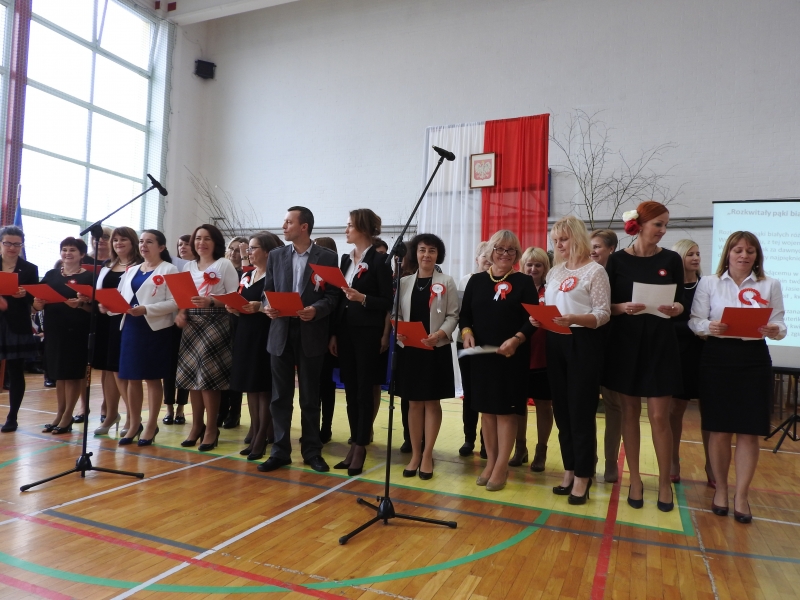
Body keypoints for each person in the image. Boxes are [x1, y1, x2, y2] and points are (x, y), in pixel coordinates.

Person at [690, 231, 785, 523]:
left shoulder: (770, 284)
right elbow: (695, 321)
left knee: (748, 431)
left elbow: (780, 323)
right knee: (719, 429)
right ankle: (721, 489)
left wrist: (774, 330)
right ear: (728, 253)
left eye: (750, 251)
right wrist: (710, 326)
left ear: (757, 256)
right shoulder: (709, 282)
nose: (744, 255)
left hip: (754, 359)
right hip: (718, 357)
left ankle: (741, 495)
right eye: (738, 250)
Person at [605, 201, 684, 512]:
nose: (663, 231)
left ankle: (664, 483)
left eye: (666, 225)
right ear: (640, 225)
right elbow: (606, 307)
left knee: (659, 417)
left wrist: (676, 308)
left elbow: (681, 301)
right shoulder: (616, 261)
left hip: (661, 345)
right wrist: (622, 307)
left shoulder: (672, 259)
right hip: (626, 345)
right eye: (658, 224)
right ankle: (634, 479)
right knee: (629, 413)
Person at [530, 216, 611, 504]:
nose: (558, 245)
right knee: (562, 411)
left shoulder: (595, 271)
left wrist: (574, 318)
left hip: (583, 342)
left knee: (580, 411)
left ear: (577, 238)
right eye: (555, 240)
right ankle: (570, 469)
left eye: (563, 239)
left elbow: (603, 314)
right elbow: (551, 306)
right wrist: (539, 318)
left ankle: (583, 476)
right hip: (555, 340)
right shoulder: (555, 271)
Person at [258, 206, 339, 473]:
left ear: (304, 227)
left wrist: (316, 309)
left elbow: (333, 296)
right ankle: (280, 451)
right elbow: (267, 291)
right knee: (280, 397)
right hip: (280, 330)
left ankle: (312, 451)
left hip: (311, 331)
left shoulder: (327, 257)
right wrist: (267, 306)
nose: (283, 226)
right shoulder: (276, 255)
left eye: (288, 222)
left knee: (310, 397)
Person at [460, 230, 537, 491]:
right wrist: (467, 333)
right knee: (487, 412)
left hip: (512, 355)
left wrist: (516, 339)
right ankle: (491, 462)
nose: (505, 254)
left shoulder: (524, 282)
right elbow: (465, 315)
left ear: (517, 254)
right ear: (491, 251)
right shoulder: (476, 281)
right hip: (482, 356)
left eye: (511, 250)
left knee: (505, 412)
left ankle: (502, 465)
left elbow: (532, 320)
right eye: (500, 249)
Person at [329, 209, 393, 476]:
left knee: (364, 390)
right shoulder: (345, 260)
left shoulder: (380, 261)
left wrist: (362, 298)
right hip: (345, 331)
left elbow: (387, 300)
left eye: (350, 226)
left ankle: (361, 445)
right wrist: (334, 333)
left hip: (367, 332)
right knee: (350, 389)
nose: (346, 230)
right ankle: (354, 441)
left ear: (364, 229)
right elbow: (337, 299)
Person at [396, 233, 458, 480]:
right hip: (411, 348)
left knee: (432, 402)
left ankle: (427, 455)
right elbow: (397, 314)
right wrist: (399, 330)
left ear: (438, 255)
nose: (426, 255)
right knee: (413, 403)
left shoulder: (447, 281)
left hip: (435, 348)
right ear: (415, 253)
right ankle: (415, 454)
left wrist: (440, 333)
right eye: (422, 250)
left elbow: (453, 315)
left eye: (432, 251)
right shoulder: (404, 282)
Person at [175, 224, 239, 451]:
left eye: (207, 238)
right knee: (192, 377)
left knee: (208, 378)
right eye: (198, 238)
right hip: (192, 323)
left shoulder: (224, 264)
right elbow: (184, 296)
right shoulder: (188, 265)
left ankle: (212, 428)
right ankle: (197, 426)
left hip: (216, 321)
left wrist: (211, 301)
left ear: (216, 242)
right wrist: (181, 312)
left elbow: (234, 297)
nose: (201, 243)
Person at [112, 230, 179, 446]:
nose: (143, 245)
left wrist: (147, 309)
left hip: (155, 329)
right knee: (132, 378)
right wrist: (109, 306)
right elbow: (120, 297)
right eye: (141, 241)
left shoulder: (169, 269)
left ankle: (151, 425)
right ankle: (134, 423)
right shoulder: (132, 270)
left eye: (149, 242)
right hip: (131, 327)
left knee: (152, 378)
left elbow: (175, 302)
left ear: (161, 247)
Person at [229, 231, 284, 460]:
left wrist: (259, 307)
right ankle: (255, 428)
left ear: (268, 252)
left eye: (253, 248)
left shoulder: (277, 275)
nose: (248, 252)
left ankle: (262, 435)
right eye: (248, 248)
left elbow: (279, 306)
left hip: (265, 333)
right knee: (250, 386)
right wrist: (234, 307)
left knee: (263, 387)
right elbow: (242, 300)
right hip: (245, 332)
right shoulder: (247, 275)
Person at [35, 237, 94, 434]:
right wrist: (38, 303)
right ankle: (59, 414)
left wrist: (81, 304)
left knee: (72, 375)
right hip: (54, 330)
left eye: (72, 250)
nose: (67, 253)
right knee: (59, 375)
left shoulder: (89, 277)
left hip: (76, 331)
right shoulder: (51, 275)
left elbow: (94, 309)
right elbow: (37, 302)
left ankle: (68, 416)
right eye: (65, 249)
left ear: (82, 254)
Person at [91, 227, 143, 436]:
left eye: (123, 239)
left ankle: (132, 417)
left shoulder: (140, 266)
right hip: (106, 321)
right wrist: (101, 303)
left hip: (127, 321)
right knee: (107, 370)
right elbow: (101, 292)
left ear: (133, 242)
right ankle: (111, 414)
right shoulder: (107, 265)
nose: (118, 243)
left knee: (121, 371)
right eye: (115, 240)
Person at [669, 239, 712, 485]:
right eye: (690, 254)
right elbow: (665, 323)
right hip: (679, 354)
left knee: (710, 411)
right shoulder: (671, 288)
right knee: (675, 409)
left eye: (697, 253)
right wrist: (693, 328)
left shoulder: (707, 285)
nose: (696, 258)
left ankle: (711, 464)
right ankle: (673, 460)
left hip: (706, 354)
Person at [590, 229, 623, 482]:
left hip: (614, 346)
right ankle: (588, 459)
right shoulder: (584, 272)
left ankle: (611, 461)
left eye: (598, 246)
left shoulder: (619, 275)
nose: (592, 251)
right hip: (588, 345)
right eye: (590, 246)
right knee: (586, 405)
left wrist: (615, 308)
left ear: (611, 249)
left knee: (613, 405)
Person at [0, 226, 39, 433]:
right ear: (1, 243)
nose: (12, 248)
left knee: (15, 370)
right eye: (7, 243)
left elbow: (35, 298)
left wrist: (25, 294)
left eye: (17, 244)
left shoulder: (30, 269)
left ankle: (12, 417)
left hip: (17, 324)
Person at [456, 240, 492, 458]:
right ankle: (469, 438)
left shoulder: (500, 282)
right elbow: (462, 313)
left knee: (487, 392)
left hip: (489, 344)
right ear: (477, 259)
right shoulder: (466, 280)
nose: (488, 260)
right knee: (469, 392)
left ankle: (487, 441)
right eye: (484, 256)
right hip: (466, 341)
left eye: (491, 255)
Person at [517, 246, 552, 471]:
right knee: (518, 405)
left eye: (538, 265)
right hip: (520, 353)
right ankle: (520, 448)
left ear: (545, 268)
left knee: (543, 405)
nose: (533, 269)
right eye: (529, 264)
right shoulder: (515, 288)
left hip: (544, 355)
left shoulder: (552, 290)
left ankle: (541, 450)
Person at [74, 225, 113, 424]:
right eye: (98, 236)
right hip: (85, 315)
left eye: (106, 237)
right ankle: (83, 406)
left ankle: (107, 405)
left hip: (107, 315)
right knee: (84, 363)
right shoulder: (84, 260)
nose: (101, 240)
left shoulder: (115, 262)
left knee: (106, 365)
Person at [219, 236, 249, 429]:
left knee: (235, 368)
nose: (234, 253)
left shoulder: (246, 272)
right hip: (221, 320)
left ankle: (234, 412)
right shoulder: (220, 270)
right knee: (222, 368)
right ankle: (221, 410)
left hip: (239, 321)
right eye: (231, 248)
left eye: (238, 250)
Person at [163, 234, 193, 424]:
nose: (183, 247)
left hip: (192, 322)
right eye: (180, 244)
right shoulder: (171, 266)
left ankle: (181, 407)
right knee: (169, 366)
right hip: (172, 320)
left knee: (185, 366)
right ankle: (168, 408)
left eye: (187, 244)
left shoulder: (197, 268)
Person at [313, 236, 339, 443]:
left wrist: (333, 335)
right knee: (312, 385)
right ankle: (312, 426)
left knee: (325, 384)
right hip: (310, 334)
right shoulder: (310, 275)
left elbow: (336, 308)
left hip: (327, 335)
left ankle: (326, 426)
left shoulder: (334, 276)